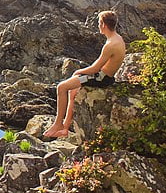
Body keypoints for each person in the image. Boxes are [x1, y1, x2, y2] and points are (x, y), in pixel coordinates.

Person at [43, 10, 125, 139]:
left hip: (101, 78)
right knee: (73, 90)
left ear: (103, 25)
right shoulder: (117, 38)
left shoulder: (110, 45)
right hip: (107, 77)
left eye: (99, 23)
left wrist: (79, 72)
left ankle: (58, 124)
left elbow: (95, 68)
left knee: (62, 87)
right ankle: (64, 128)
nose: (98, 25)